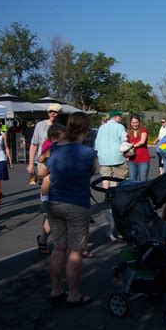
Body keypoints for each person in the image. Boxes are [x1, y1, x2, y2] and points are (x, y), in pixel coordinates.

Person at [38, 112, 96, 307]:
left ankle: (56, 289)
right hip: (78, 204)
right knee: (75, 251)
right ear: (86, 129)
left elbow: (44, 170)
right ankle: (73, 293)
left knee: (59, 247)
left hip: (55, 203)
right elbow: (92, 172)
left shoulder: (54, 148)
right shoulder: (88, 152)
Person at [27, 103, 63, 251]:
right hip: (45, 164)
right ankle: (45, 239)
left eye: (55, 112)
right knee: (51, 209)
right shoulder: (40, 126)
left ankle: (46, 240)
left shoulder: (62, 127)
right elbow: (34, 145)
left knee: (58, 209)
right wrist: (30, 164)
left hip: (59, 168)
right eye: (50, 111)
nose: (52, 114)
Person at [36, 124, 68, 217]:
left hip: (62, 170)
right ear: (53, 138)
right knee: (46, 180)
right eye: (63, 137)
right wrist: (45, 155)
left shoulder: (65, 145)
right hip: (50, 170)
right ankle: (45, 201)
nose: (65, 139)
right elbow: (40, 159)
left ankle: (84, 210)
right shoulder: (48, 144)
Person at [95, 110, 128, 188]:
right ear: (116, 117)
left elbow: (97, 143)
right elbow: (124, 141)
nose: (121, 119)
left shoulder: (102, 127)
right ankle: (120, 196)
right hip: (117, 157)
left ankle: (107, 196)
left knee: (105, 178)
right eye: (120, 117)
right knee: (121, 178)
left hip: (104, 157)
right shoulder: (120, 126)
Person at [126, 114, 150, 181]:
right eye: (133, 123)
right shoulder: (129, 132)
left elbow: (142, 141)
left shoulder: (143, 130)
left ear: (139, 122)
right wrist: (126, 153)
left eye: (136, 122)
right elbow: (127, 144)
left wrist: (132, 145)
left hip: (143, 160)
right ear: (130, 123)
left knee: (143, 180)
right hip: (132, 160)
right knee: (132, 181)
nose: (135, 124)